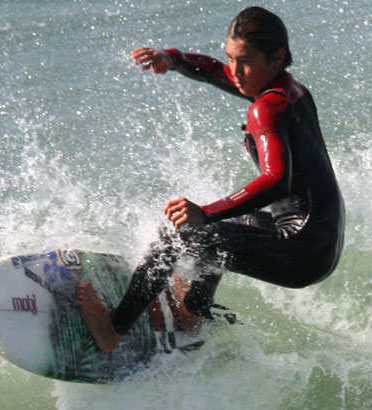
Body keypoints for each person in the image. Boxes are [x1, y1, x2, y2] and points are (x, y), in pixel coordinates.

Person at [79, 6, 345, 352]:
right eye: (231, 58)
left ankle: (114, 329)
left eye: (245, 61)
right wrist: (173, 59)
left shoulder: (267, 107)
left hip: (300, 251)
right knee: (221, 227)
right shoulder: (291, 91)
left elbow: (275, 180)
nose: (235, 71)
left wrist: (207, 212)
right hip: (318, 243)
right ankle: (193, 310)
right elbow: (218, 73)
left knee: (177, 234)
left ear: (277, 57)